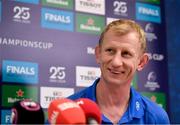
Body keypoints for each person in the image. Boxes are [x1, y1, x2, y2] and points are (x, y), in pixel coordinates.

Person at [68, 19, 170, 124]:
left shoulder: (156, 117)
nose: (116, 62)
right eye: (110, 50)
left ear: (141, 62)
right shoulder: (68, 111)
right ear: (98, 54)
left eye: (126, 53)